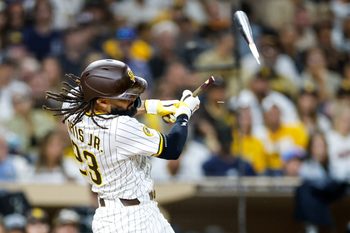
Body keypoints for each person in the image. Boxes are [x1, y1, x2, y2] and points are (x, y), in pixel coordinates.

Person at [44, 59, 200, 233]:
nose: (132, 99)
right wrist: (184, 113)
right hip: (128, 219)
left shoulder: (74, 105)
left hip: (130, 211)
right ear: (102, 102)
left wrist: (156, 106)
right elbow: (172, 148)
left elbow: (116, 105)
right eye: (126, 96)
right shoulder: (118, 128)